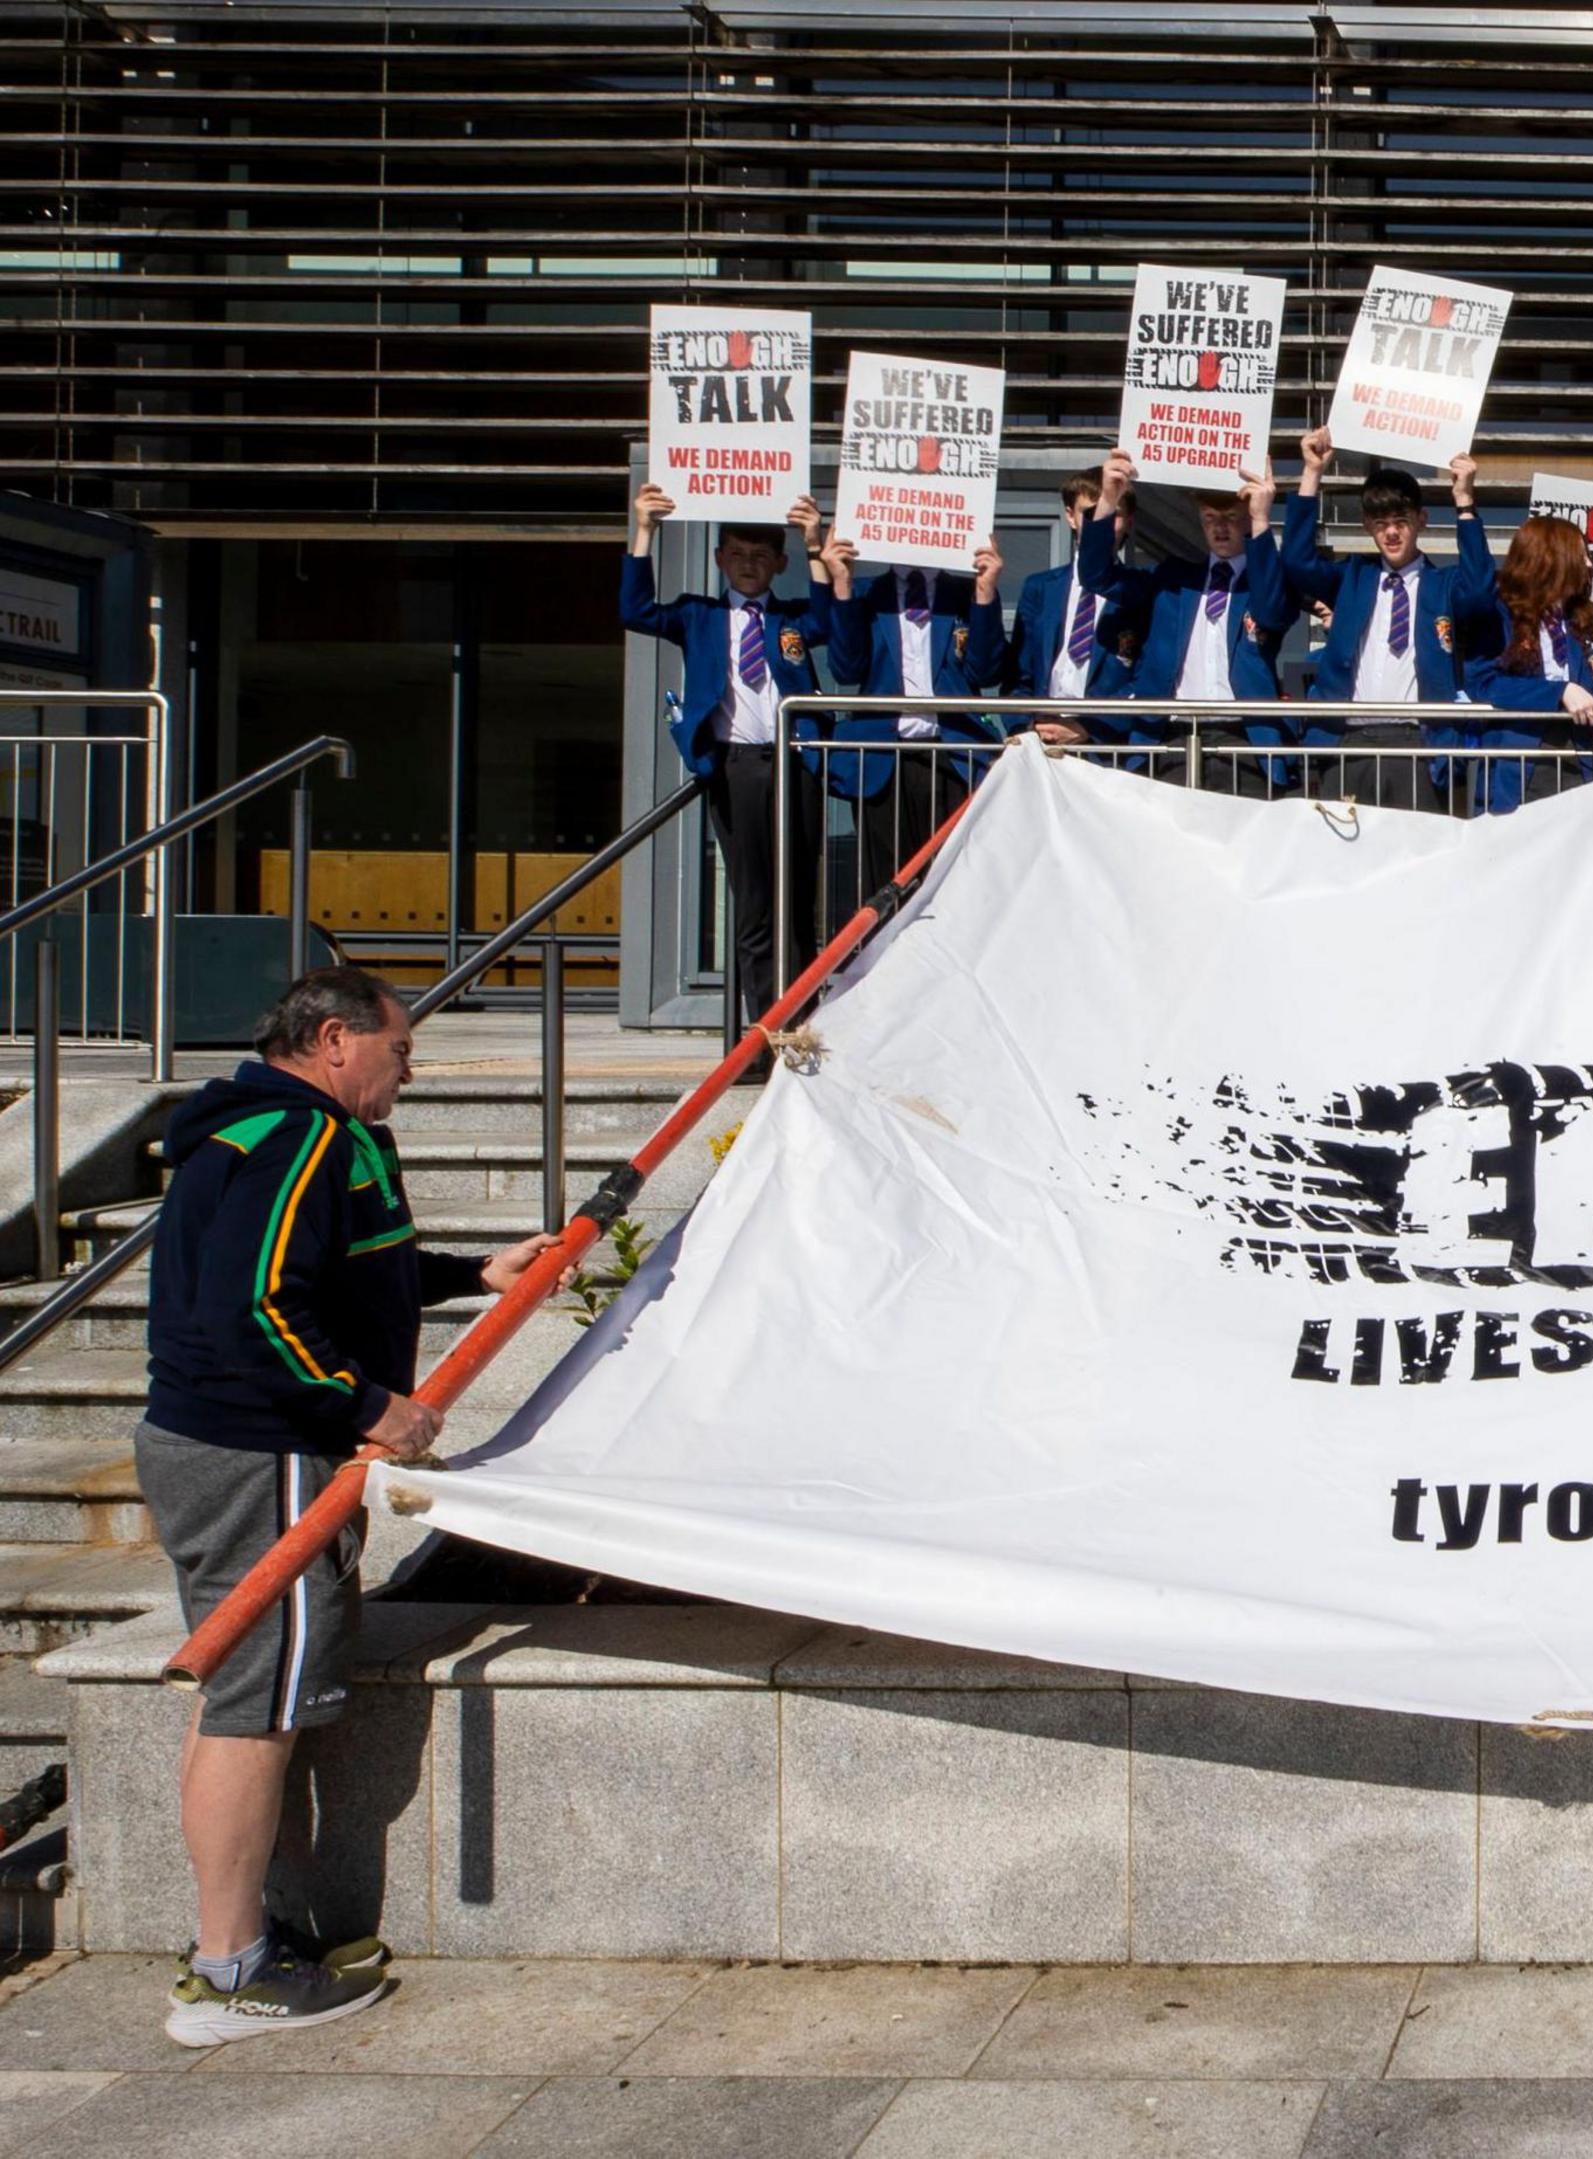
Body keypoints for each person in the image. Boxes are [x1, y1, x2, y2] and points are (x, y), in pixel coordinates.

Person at [137, 969, 566, 2046]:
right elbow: (257, 1309)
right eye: (399, 1050)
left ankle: (253, 1937)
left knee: (246, 1690)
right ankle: (229, 1968)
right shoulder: (299, 1137)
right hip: (258, 1451)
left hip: (231, 1445)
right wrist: (369, 1403)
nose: (407, 1072)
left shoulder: (277, 1131)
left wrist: (473, 1268)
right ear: (335, 1038)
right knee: (256, 1699)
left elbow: (339, 1273)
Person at [618, 483, 833, 1016]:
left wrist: (815, 544)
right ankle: (761, 1031)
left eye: (760, 556)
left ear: (779, 563)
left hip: (793, 762)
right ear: (718, 560)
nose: (747, 565)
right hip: (736, 766)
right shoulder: (699, 615)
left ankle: (802, 1022)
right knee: (754, 903)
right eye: (736, 554)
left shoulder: (793, 619)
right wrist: (644, 530)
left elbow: (832, 621)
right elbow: (635, 610)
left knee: (797, 898)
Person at [797, 508, 1003, 914]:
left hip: (952, 758)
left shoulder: (964, 592)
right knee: (886, 892)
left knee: (953, 890)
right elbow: (847, 668)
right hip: (881, 761)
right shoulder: (865, 594)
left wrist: (986, 592)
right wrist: (840, 582)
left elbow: (986, 669)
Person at [1278, 430, 1489, 811]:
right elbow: (1297, 562)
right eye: (1379, 523)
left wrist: (1464, 502)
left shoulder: (1442, 584)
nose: (1391, 532)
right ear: (1366, 526)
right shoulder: (1353, 576)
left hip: (1417, 742)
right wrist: (1311, 474)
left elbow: (1479, 589)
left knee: (1417, 860)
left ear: (1421, 520)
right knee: (1344, 858)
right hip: (1350, 739)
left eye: (1400, 520)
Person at [1106, 453, 1289, 785]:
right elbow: (1098, 577)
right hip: (1171, 736)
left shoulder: (1262, 582)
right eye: (1209, 518)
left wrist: (1262, 519)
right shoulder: (1173, 579)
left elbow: (1273, 612)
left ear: (1246, 519)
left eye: (1231, 517)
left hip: (1241, 739)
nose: (1219, 527)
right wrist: (1108, 500)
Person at [1458, 509, 1593, 809]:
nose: (1590, 564)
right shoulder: (1501, 614)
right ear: (1551, 559)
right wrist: (1559, 692)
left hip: (1584, 759)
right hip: (1522, 763)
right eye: (1580, 555)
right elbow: (1483, 682)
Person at [1003, 457, 1149, 746]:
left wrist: (1088, 728)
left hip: (1105, 747)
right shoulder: (1040, 588)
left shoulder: (1142, 588)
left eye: (1112, 514)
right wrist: (1028, 728)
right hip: (1040, 742)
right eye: (1090, 513)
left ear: (1129, 521)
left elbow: (1147, 677)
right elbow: (1019, 675)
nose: (1102, 524)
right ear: (1070, 516)